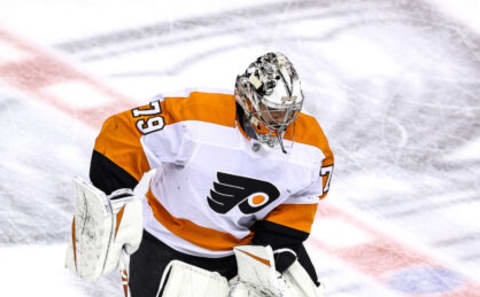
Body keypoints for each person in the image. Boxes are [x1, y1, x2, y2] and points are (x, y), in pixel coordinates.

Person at [70, 52, 334, 297]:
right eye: (275, 112)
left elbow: (302, 198)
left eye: (290, 112)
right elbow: (125, 133)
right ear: (249, 99)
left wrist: (276, 247)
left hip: (240, 252)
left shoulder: (312, 148)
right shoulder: (196, 114)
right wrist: (115, 193)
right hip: (165, 242)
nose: (283, 123)